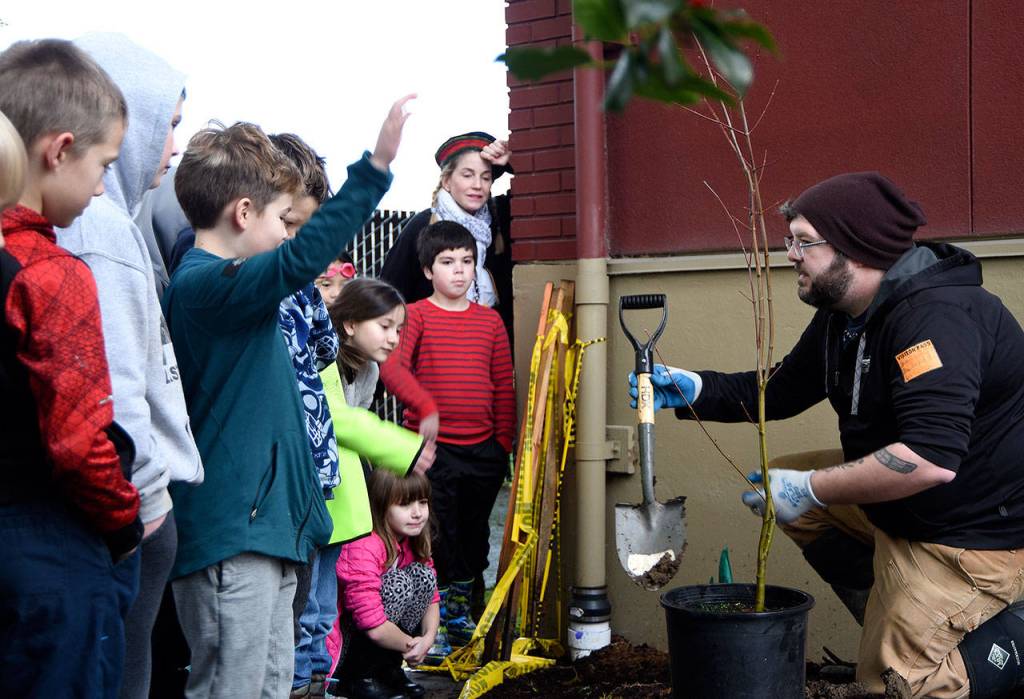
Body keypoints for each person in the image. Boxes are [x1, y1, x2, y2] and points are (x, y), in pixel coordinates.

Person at [630, 172, 1024, 699]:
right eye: (789, 239)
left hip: (968, 532)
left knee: (898, 686)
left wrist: (811, 486)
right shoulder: (848, 314)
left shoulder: (936, 319)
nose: (789, 253)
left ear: (858, 247)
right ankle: (893, 610)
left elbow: (929, 458)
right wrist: (697, 389)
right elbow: (785, 389)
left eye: (803, 241)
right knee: (797, 500)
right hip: (910, 509)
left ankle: (1001, 639)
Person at [162, 96, 412, 698]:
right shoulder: (205, 287)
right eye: (283, 216)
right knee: (235, 687)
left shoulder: (247, 296)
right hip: (233, 535)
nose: (289, 232)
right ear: (244, 212)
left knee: (274, 684)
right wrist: (374, 169)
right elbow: (298, 260)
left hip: (272, 529)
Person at [55, 34, 204, 699]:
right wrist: (145, 501)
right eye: (166, 125)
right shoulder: (101, 233)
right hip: (132, 512)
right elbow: (113, 389)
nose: (173, 146)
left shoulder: (111, 222)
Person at [0, 39, 143, 697]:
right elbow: (78, 438)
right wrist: (124, 520)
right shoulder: (52, 274)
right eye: (103, 164)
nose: (104, 185)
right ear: (58, 150)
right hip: (48, 546)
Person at [380, 220, 515, 662]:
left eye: (467, 262)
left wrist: (502, 444)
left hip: (483, 452)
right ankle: (430, 623)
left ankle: (459, 615)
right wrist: (424, 412)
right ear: (427, 270)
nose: (459, 271)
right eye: (447, 262)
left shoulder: (490, 322)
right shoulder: (416, 315)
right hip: (431, 454)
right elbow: (393, 370)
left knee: (475, 536)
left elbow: (502, 384)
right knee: (436, 535)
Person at [304, 277, 434, 698]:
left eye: (399, 328)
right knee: (309, 611)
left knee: (325, 611)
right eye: (384, 326)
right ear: (349, 325)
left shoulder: (370, 370)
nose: (394, 338)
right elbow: (337, 422)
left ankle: (325, 682)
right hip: (313, 501)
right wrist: (403, 450)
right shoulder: (323, 362)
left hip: (342, 506)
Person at [378, 131, 513, 335]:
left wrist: (512, 160)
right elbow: (389, 293)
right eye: (467, 175)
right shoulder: (423, 226)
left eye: (485, 178)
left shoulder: (500, 219)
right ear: (447, 182)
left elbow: (537, 192)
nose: (477, 185)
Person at [330, 468, 439, 699]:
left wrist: (428, 639)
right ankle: (358, 678)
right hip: (347, 647)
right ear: (381, 507)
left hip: (384, 638)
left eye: (422, 502)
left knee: (423, 577)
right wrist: (412, 646)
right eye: (405, 505)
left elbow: (432, 596)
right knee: (398, 584)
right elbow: (372, 623)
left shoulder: (412, 539)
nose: (417, 513)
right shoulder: (365, 543)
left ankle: (387, 670)